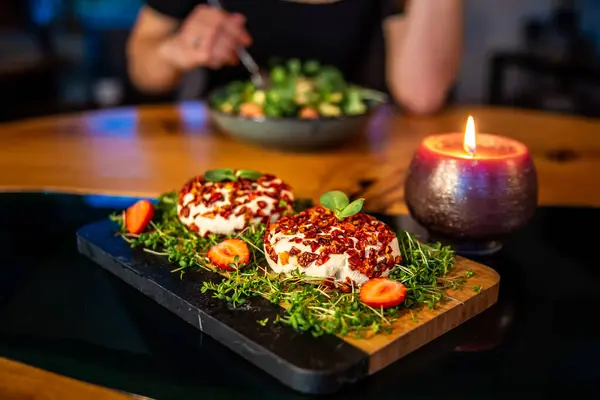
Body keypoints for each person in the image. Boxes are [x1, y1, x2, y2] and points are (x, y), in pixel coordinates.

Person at [126, 0, 462, 115]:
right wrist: (176, 51)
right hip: (227, 165)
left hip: (360, 176)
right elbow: (143, 69)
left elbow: (421, 94)